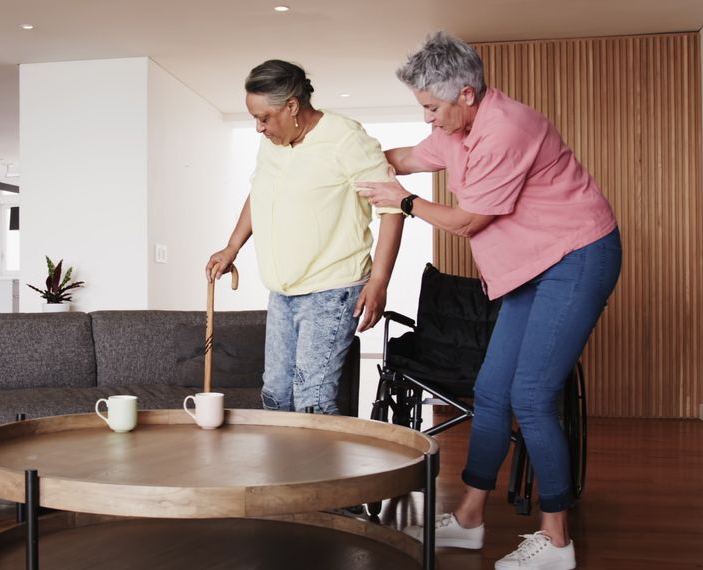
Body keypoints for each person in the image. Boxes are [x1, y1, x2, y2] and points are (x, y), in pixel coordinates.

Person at [357, 32, 621, 570]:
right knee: (492, 391)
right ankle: (473, 518)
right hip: (531, 265)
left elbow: (469, 221)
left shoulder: (508, 128)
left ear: (468, 94)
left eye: (432, 107)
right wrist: (342, 160)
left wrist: (405, 203)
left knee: (531, 396)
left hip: (576, 257)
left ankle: (557, 542)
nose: (428, 118)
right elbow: (404, 156)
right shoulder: (456, 129)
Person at [206, 59, 406, 415]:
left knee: (311, 401)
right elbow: (259, 194)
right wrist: (231, 247)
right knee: (276, 395)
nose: (258, 127)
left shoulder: (346, 138)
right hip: (283, 292)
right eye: (254, 117)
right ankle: (283, 471)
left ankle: (321, 472)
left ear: (292, 106)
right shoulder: (273, 144)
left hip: (332, 289)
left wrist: (379, 281)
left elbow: (392, 209)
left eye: (264, 117)